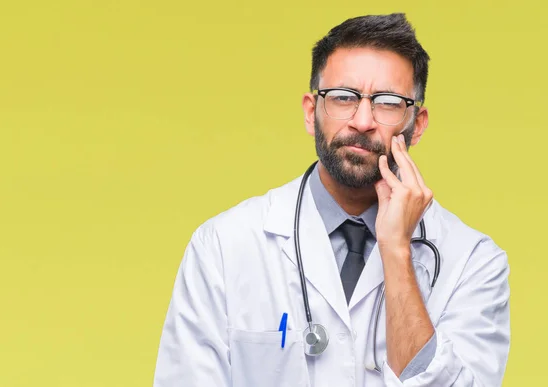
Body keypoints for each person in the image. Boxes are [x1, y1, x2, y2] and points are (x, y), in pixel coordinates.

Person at [153, 13, 510, 387]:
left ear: (416, 124)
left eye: (387, 102)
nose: (362, 120)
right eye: (343, 97)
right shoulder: (224, 247)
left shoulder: (474, 263)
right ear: (312, 112)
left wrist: (396, 250)